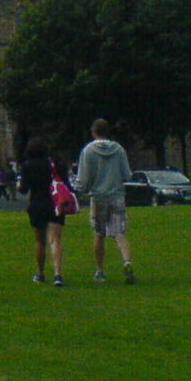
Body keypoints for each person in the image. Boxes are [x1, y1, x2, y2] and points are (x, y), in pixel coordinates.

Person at [74, 118, 135, 284]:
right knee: (120, 233)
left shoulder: (88, 151)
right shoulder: (119, 149)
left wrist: (80, 189)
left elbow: (84, 177)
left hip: (98, 197)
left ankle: (100, 271)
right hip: (117, 196)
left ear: (93, 132)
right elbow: (127, 174)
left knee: (99, 235)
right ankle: (126, 261)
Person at [19, 138, 68, 286]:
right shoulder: (54, 164)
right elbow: (64, 182)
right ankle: (58, 275)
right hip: (55, 204)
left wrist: (18, 186)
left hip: (37, 205)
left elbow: (23, 189)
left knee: (40, 241)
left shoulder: (27, 166)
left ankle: (40, 273)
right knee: (55, 240)